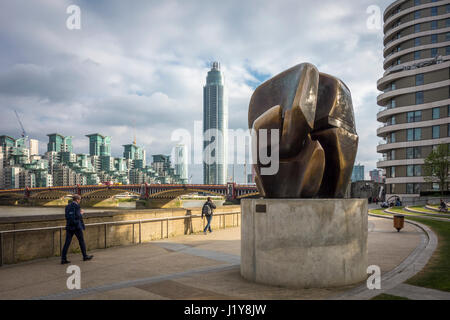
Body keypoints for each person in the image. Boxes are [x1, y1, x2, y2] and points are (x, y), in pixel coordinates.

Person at [61, 195, 93, 264]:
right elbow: (78, 216)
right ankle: (85, 256)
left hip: (69, 226)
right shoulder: (77, 206)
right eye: (80, 200)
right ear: (77, 200)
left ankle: (63, 259)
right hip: (77, 227)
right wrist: (81, 213)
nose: (80, 201)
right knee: (81, 241)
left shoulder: (67, 206)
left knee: (67, 243)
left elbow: (66, 216)